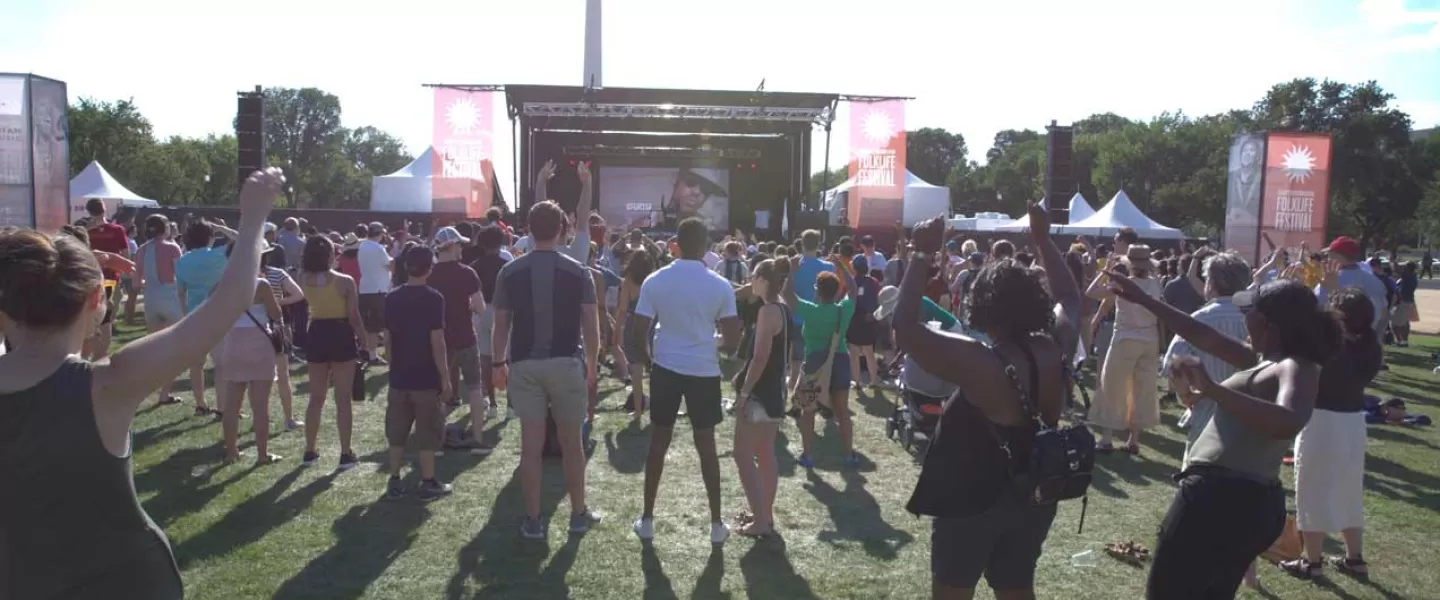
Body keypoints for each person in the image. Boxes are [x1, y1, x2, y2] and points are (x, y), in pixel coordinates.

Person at [0, 168, 283, 600]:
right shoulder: (108, 383)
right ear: (97, 300)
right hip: (128, 582)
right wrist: (253, 218)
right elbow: (230, 301)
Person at [1106, 270, 1341, 599]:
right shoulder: (1262, 360)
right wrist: (1145, 299)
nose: (1245, 320)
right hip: (1235, 498)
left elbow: (1289, 420)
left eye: (1249, 314)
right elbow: (1202, 335)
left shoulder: (1295, 366)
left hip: (1223, 499)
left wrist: (1213, 389)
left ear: (1267, 324)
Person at [899, 203, 1082, 600]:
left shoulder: (978, 360)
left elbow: (904, 328)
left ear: (982, 302)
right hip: (1034, 489)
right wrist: (1043, 241)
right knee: (1017, 588)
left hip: (973, 495)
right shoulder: (1056, 346)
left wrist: (920, 254)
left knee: (953, 590)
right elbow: (1069, 297)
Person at [491, 178, 602, 538]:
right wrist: (592, 369)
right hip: (567, 363)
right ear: (563, 230)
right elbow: (592, 328)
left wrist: (497, 364)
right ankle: (578, 513)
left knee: (531, 447)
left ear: (527, 230)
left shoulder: (509, 271)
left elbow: (500, 326)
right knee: (572, 444)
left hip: (524, 365)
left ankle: (534, 519)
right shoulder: (578, 271)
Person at [630, 216, 743, 543]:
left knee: (658, 443)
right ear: (707, 247)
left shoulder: (655, 279)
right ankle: (716, 525)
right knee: (706, 446)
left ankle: (648, 519)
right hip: (703, 370)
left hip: (666, 367)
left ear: (676, 244)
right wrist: (712, 341)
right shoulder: (720, 285)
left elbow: (639, 332)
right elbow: (734, 341)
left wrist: (652, 362)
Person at [1280, 284, 1382, 578]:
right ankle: (1355, 558)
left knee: (1312, 489)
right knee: (1348, 490)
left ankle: (1312, 562)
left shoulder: (1330, 346)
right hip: (1352, 422)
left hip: (1321, 420)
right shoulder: (1370, 345)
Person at [1161, 252, 1254, 468]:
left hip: (1207, 411)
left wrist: (1185, 395)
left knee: (1198, 479)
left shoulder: (1201, 318)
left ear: (1211, 283)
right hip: (1251, 415)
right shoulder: (1256, 318)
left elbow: (1173, 365)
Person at [383, 245, 455, 501]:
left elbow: (388, 339)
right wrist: (445, 378)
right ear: (430, 268)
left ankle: (394, 480)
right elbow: (438, 341)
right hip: (425, 377)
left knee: (397, 431)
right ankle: (427, 481)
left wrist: (393, 367)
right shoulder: (434, 298)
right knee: (428, 431)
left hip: (400, 376)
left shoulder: (392, 297)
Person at [730, 258, 795, 537]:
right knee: (765, 454)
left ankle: (760, 521)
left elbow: (760, 357)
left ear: (764, 281)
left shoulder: (768, 311)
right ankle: (764, 515)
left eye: (753, 277)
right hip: (775, 391)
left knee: (742, 455)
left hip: (761, 391)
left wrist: (744, 393)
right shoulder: (784, 309)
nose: (750, 282)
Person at [297, 236, 370, 471]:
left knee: (316, 398)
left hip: (316, 332)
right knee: (343, 398)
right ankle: (345, 453)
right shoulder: (345, 281)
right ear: (330, 255)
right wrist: (366, 341)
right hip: (340, 334)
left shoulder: (302, 278)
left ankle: (310, 450)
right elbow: (354, 317)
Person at [782, 251, 860, 469]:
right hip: (840, 360)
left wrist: (792, 271)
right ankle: (849, 455)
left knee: (809, 410)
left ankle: (807, 456)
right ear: (836, 292)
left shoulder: (811, 310)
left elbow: (787, 295)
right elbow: (853, 290)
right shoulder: (843, 309)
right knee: (842, 411)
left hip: (815, 362)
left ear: (817, 290)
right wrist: (842, 267)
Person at [1087, 245, 1163, 454]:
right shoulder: (1155, 284)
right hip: (1150, 339)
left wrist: (1106, 271)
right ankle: (1133, 440)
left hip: (1125, 338)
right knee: (1143, 388)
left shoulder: (1120, 283)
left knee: (1112, 386)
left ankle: (1106, 438)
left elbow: (1091, 293)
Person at [428, 227, 495, 455]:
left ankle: (435, 442)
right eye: (459, 245)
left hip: (439, 340)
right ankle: (477, 439)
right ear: (453, 246)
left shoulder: (429, 274)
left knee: (437, 390)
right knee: (475, 388)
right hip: (466, 337)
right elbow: (480, 307)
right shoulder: (467, 273)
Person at [218, 244, 285, 465]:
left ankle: (231, 452)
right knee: (260, 406)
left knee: (231, 405)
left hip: (233, 341)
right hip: (258, 341)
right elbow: (276, 313)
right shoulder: (262, 284)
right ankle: (263, 455)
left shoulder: (224, 283)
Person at [176, 220, 233, 417]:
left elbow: (181, 292)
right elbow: (245, 241)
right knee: (221, 364)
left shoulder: (183, 260)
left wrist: (184, 315)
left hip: (194, 314)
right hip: (218, 314)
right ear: (211, 237)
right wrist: (223, 229)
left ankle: (200, 404)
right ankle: (222, 407)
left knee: (196, 364)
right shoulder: (219, 255)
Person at [133, 214, 185, 407]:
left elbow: (137, 282)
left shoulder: (141, 250)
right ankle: (164, 393)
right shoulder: (172, 247)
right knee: (175, 347)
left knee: (154, 347)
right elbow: (180, 275)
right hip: (169, 295)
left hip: (151, 297)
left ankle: (146, 388)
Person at [469, 224, 510, 421]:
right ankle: (511, 403)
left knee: (485, 358)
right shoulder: (507, 265)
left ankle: (492, 402)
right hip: (504, 310)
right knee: (508, 357)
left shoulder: (475, 266)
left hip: (482, 310)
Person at [82, 198, 130, 361]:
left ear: (89, 211)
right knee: (106, 317)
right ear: (104, 209)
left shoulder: (85, 231)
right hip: (110, 279)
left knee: (92, 317)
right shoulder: (117, 229)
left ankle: (93, 353)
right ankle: (100, 355)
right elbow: (125, 255)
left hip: (89, 279)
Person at [261, 256, 305, 431]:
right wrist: (278, 302)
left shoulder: (243, 275)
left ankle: (261, 418)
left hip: (251, 329)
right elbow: (298, 294)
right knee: (283, 376)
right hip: (275, 327)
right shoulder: (277, 273)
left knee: (258, 379)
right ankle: (289, 419)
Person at [789, 230, 835, 389]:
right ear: (818, 245)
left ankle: (793, 384)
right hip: (819, 316)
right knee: (814, 355)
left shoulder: (793, 265)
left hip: (796, 315)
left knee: (795, 357)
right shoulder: (829, 266)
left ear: (801, 243)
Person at [1316, 236, 1389, 334]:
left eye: (1329, 255)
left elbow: (1317, 310)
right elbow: (1384, 313)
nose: (1327, 258)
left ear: (1337, 257)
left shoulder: (1331, 278)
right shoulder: (1374, 280)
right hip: (1367, 338)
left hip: (1337, 339)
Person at [617, 250, 657, 421]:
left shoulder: (628, 281)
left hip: (633, 324)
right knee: (656, 369)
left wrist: (617, 330)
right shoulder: (655, 280)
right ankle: (657, 408)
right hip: (653, 323)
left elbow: (622, 309)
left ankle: (638, 411)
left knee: (636, 372)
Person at [357, 221, 393, 365]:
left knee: (368, 325)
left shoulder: (363, 246)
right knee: (381, 325)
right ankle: (379, 355)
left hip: (365, 288)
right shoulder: (378, 248)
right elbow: (389, 264)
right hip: (378, 289)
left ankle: (369, 353)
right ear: (380, 233)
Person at [846, 256, 882, 391]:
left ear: (854, 268)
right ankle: (873, 380)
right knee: (869, 352)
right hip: (869, 319)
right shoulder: (874, 282)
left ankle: (856, 381)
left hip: (854, 319)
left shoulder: (851, 282)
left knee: (854, 352)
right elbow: (879, 299)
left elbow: (847, 299)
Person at [1392, 261, 1418, 347]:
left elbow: (1396, 269)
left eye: (1405, 267)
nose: (1403, 269)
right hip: (1408, 302)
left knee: (1395, 323)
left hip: (1403, 302)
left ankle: (1400, 341)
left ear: (1408, 269)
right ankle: (1404, 341)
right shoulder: (1411, 276)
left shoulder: (1408, 276)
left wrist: (1393, 259)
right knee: (1405, 322)